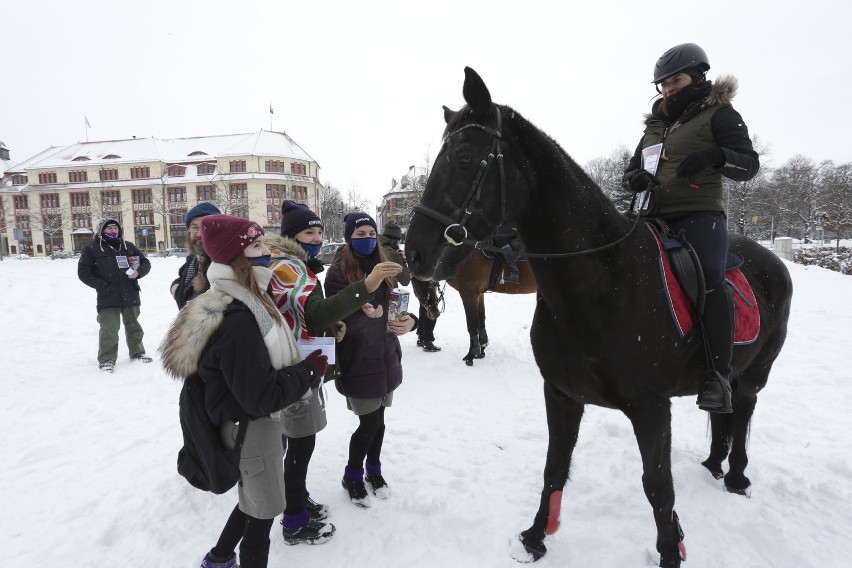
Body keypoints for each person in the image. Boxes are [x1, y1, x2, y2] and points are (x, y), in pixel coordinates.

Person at [159, 214, 328, 568]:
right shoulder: (238, 316)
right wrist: (308, 371)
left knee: (256, 500)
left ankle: (219, 558)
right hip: (251, 428)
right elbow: (260, 396)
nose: (267, 251)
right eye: (256, 246)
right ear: (235, 257)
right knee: (262, 513)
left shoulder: (248, 297)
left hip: (252, 426)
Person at [621, 43, 759, 414]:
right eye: (663, 84)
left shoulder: (720, 114)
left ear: (698, 76)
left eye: (675, 80)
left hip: (698, 212)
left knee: (708, 277)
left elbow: (749, 165)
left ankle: (717, 376)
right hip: (650, 215)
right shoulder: (653, 126)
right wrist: (633, 178)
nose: (668, 88)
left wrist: (716, 155)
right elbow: (631, 169)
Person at [266, 200, 403, 543]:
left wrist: (406, 319)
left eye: (317, 231)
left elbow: (312, 315)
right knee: (300, 441)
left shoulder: (303, 267)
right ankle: (294, 515)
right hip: (303, 364)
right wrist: (360, 299)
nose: (315, 237)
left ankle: (296, 501)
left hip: (344, 357)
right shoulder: (292, 269)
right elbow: (315, 313)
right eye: (308, 232)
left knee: (310, 439)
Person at [324, 211, 417, 507]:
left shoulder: (384, 262)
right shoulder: (338, 271)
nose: (366, 239)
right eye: (360, 234)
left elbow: (398, 301)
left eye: (370, 234)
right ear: (349, 237)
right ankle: (352, 475)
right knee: (369, 423)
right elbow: (332, 313)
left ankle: (374, 470)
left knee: (380, 421)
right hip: (358, 357)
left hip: (386, 353)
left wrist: (409, 321)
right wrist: (359, 309)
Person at [77, 217, 152, 373]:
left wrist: (138, 272)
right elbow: (84, 273)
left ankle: (137, 353)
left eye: (116, 228)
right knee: (109, 329)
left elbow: (145, 263)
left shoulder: (128, 246)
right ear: (101, 230)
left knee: (134, 327)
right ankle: (107, 360)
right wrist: (102, 286)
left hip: (130, 293)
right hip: (108, 296)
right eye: (109, 228)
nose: (113, 231)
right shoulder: (92, 248)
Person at [170, 201, 221, 309]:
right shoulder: (193, 260)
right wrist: (174, 288)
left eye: (205, 227)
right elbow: (181, 280)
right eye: (194, 227)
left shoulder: (225, 262)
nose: (199, 234)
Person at [414, 279, 442, 352]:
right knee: (432, 309)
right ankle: (427, 341)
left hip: (418, 280)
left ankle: (421, 337)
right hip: (427, 281)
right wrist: (435, 281)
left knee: (424, 306)